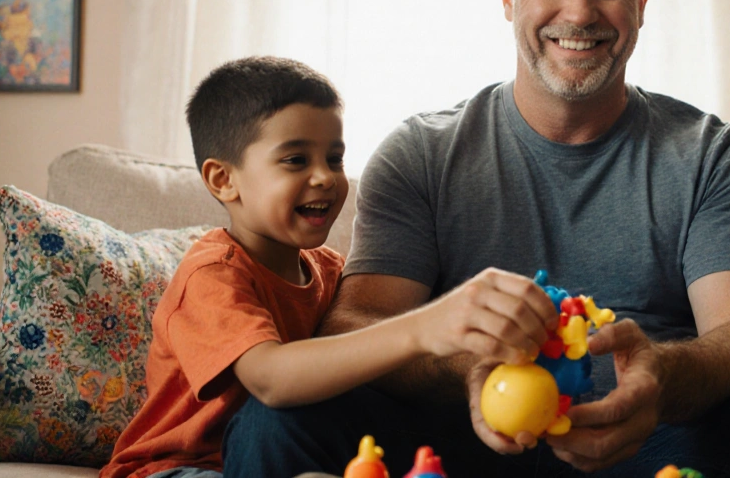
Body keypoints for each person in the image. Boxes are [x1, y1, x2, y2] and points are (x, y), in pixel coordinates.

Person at [221, 0, 730, 477]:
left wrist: (656, 380)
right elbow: (355, 323)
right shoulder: (420, 151)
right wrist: (471, 366)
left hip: (649, 439)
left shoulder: (711, 155)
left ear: (641, 4)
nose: (580, 11)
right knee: (275, 419)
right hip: (453, 442)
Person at [102, 57, 551, 478]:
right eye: (296, 160)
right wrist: (421, 329)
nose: (325, 177)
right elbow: (270, 380)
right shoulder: (212, 275)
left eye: (333, 158)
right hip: (176, 469)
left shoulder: (331, 271)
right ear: (224, 180)